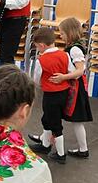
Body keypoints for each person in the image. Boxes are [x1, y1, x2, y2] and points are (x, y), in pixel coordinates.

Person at [28, 27, 75, 163]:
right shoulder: (65, 55)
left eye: (37, 46)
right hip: (64, 93)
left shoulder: (41, 60)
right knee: (48, 118)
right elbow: (70, 71)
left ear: (41, 45)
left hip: (50, 94)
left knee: (55, 124)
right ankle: (45, 145)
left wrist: (41, 85)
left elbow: (36, 78)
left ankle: (60, 154)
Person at [59, 18, 93, 158]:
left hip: (75, 88)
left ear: (69, 33)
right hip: (74, 86)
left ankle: (83, 149)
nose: (60, 36)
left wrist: (63, 77)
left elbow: (79, 71)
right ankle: (45, 138)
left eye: (62, 33)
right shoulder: (75, 47)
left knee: (77, 120)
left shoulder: (74, 50)